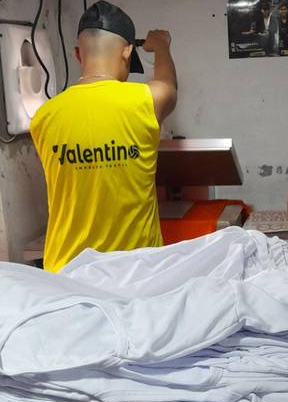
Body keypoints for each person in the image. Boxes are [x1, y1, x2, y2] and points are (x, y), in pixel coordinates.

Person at [30, 1, 177, 273]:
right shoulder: (146, 101)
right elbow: (168, 84)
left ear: (77, 53)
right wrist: (161, 45)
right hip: (137, 273)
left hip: (66, 274)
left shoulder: (42, 117)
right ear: (127, 51)